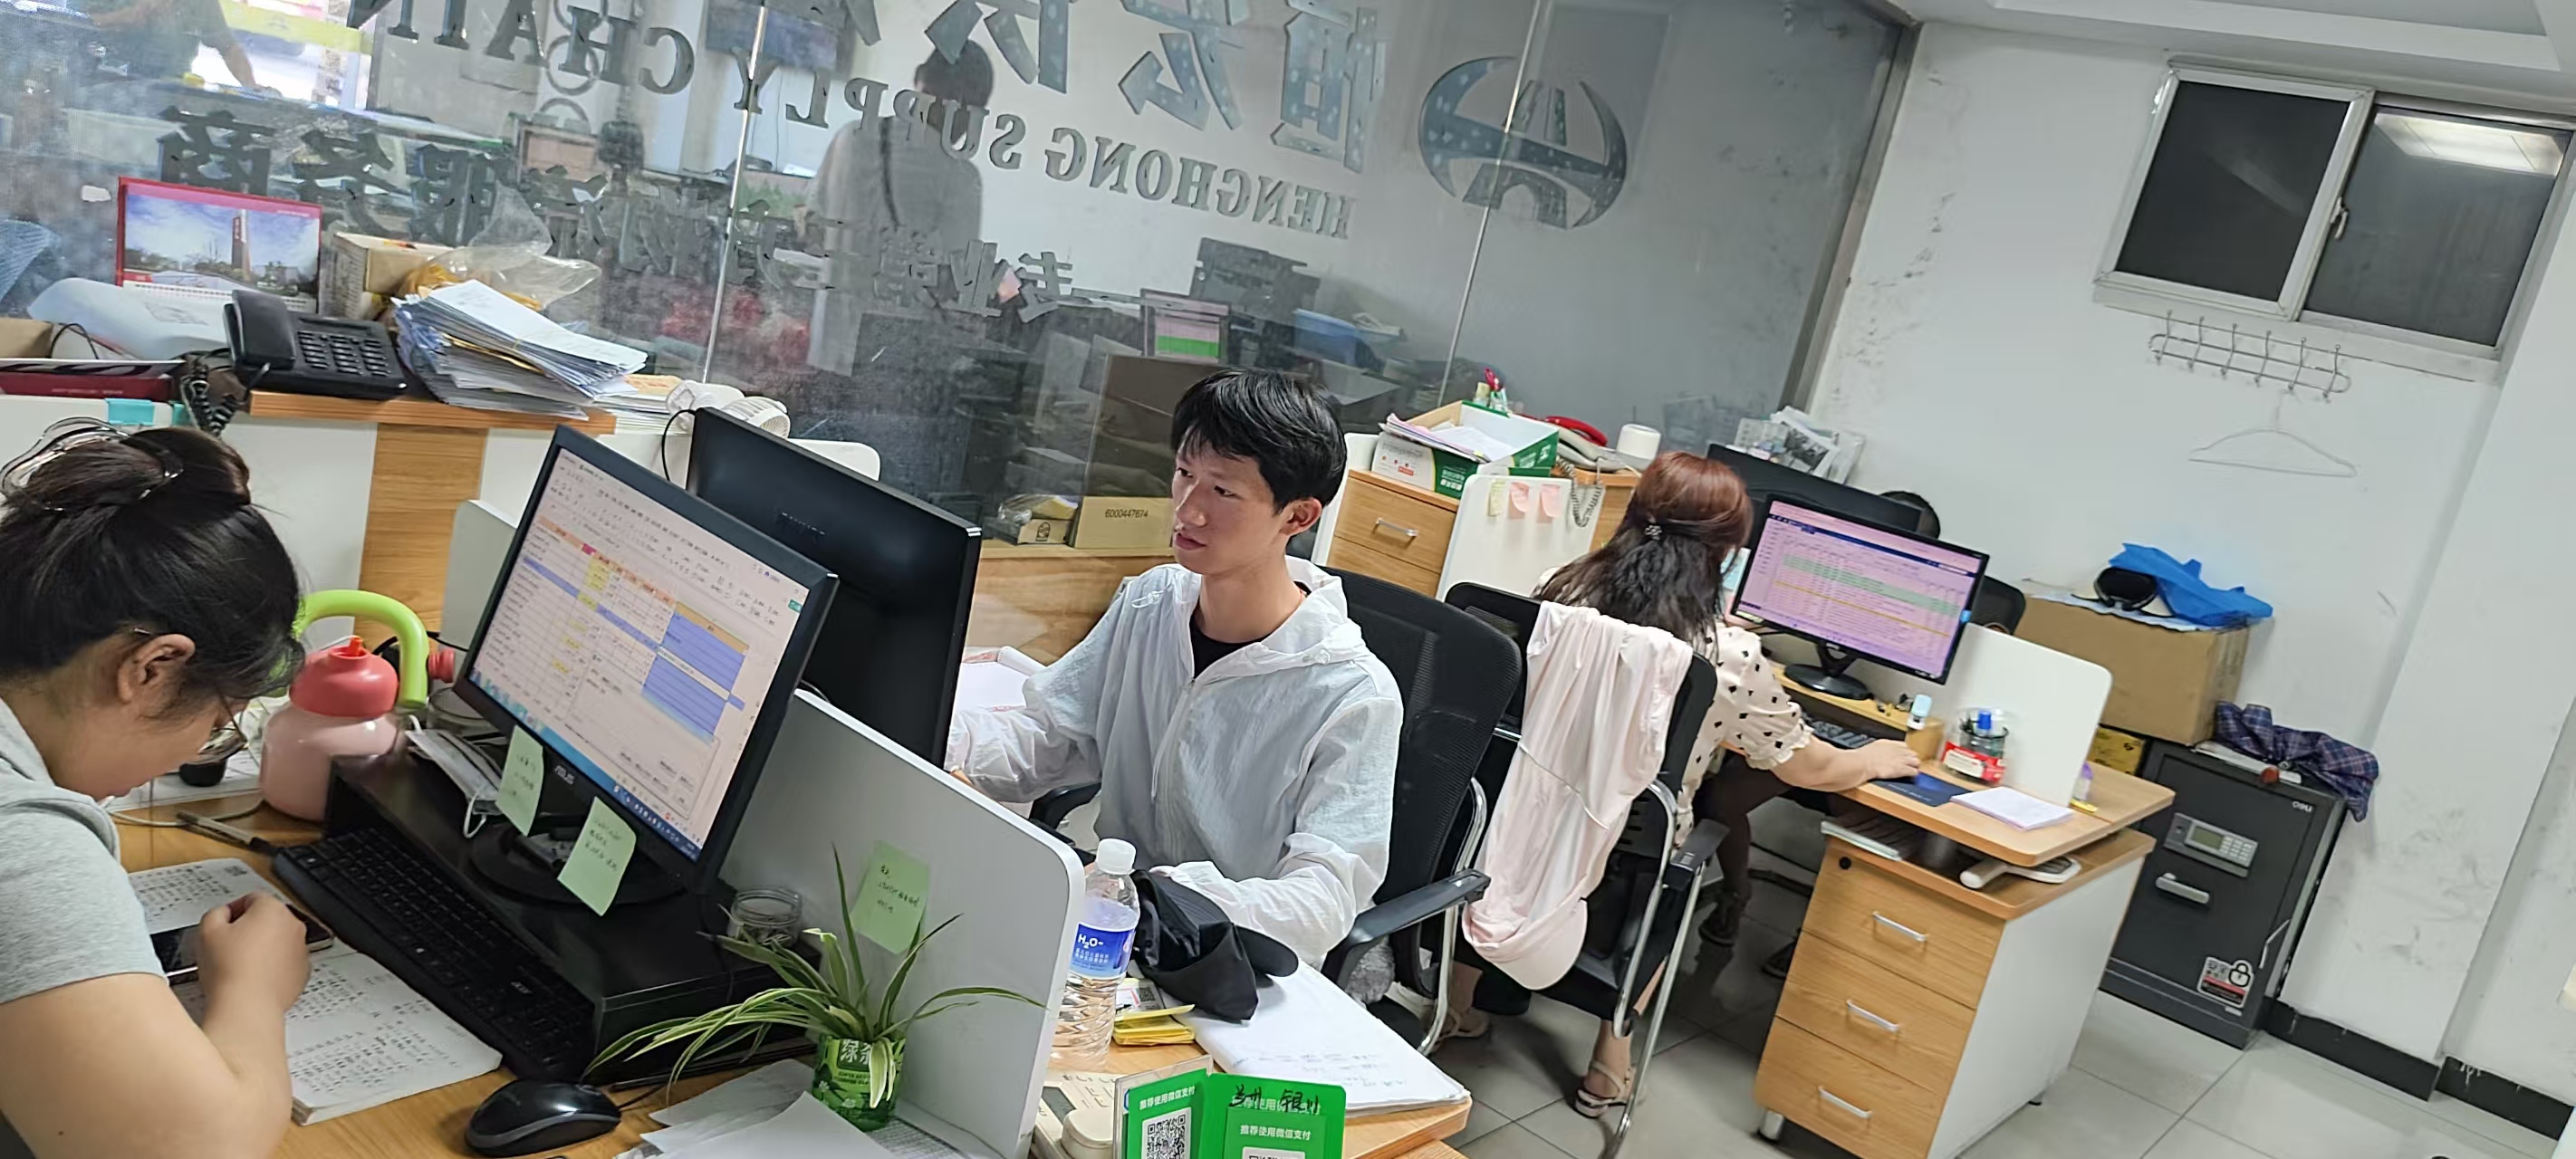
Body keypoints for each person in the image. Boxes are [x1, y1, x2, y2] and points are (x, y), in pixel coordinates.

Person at [1444, 451, 1919, 1118]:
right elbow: (1807, 767)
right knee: (1682, 855)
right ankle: (1609, 1062)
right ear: (1724, 552)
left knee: (1533, 810)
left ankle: (1457, 1005)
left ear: (1634, 515)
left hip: (1515, 818)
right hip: (1633, 845)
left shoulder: (1556, 593)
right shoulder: (1726, 655)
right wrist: (1873, 757)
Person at [947, 370, 1401, 967]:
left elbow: (1321, 901)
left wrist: (1158, 895)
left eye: (1223, 491)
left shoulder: (1352, 693)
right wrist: (932, 736)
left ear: (1297, 517)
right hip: (1110, 925)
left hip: (1231, 957)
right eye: (1185, 474)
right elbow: (1052, 735)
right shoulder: (1150, 603)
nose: (1188, 510)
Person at [0, 420, 310, 1159]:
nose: (202, 749)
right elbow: (202, 1148)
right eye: (218, 727)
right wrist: (254, 989)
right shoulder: (23, 838)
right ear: (152, 668)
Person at [805, 43, 991, 376]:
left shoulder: (849, 137)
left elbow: (813, 229)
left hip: (828, 344)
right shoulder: (959, 175)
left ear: (919, 78)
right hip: (892, 361)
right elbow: (954, 280)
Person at [87, 0, 258, 87]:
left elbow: (229, 48)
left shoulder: (201, 3)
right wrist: (128, 15)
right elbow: (78, 21)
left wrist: (251, 88)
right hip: (107, 87)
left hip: (170, 96)